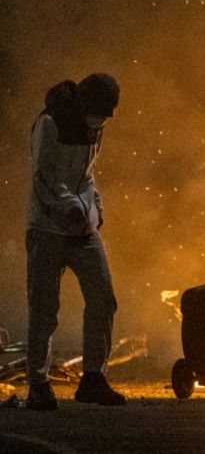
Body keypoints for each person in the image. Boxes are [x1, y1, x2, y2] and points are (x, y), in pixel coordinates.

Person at [25, 73, 126, 410]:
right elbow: (45, 176)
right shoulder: (50, 123)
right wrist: (68, 207)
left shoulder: (94, 126)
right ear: (85, 103)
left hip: (83, 230)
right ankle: (38, 384)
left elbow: (87, 174)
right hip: (47, 229)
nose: (102, 121)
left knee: (103, 299)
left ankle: (94, 378)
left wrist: (95, 207)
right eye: (100, 112)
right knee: (44, 309)